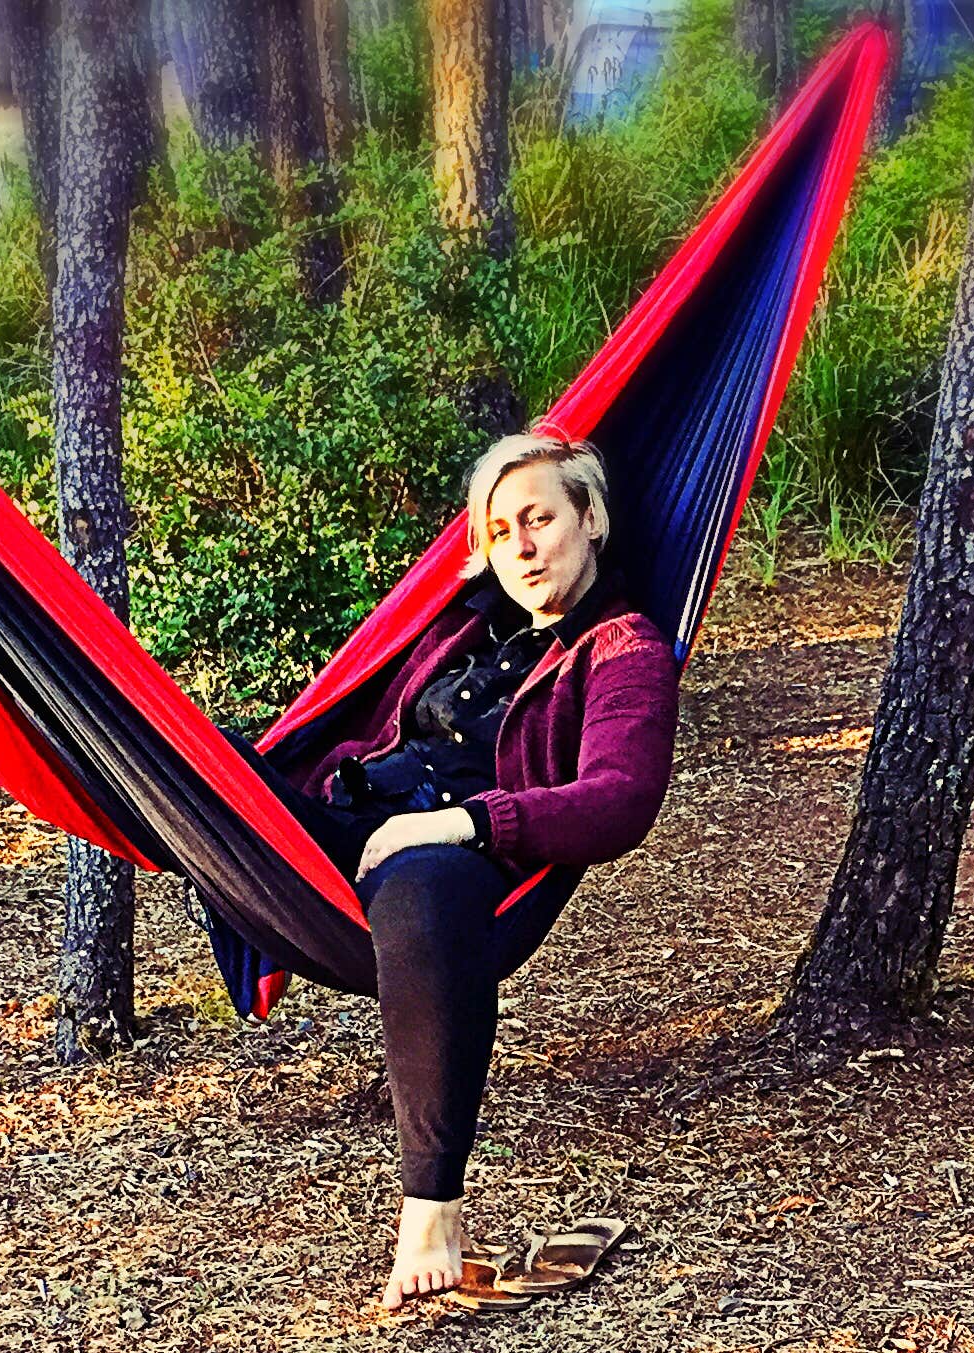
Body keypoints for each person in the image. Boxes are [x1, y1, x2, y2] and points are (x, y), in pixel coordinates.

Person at [256, 432, 680, 1307]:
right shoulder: (463, 625)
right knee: (196, 766)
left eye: (540, 520)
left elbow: (621, 797)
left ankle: (432, 1211)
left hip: (472, 867)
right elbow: (362, 716)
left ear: (591, 518)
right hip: (349, 825)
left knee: (424, 889)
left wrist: (462, 823)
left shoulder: (623, 647)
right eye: (499, 529)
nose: (521, 546)